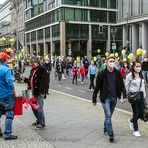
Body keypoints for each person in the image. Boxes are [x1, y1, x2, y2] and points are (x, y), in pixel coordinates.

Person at [92, 56, 127, 142]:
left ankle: (105, 127)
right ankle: (111, 133)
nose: (112, 63)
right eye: (110, 61)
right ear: (106, 63)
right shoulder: (102, 73)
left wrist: (125, 94)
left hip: (114, 98)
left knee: (109, 115)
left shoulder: (117, 73)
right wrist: (94, 98)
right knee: (108, 114)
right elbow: (97, 87)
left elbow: (122, 84)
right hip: (105, 98)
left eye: (113, 61)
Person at [23, 55, 46, 129]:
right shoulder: (32, 70)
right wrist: (25, 79)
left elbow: (44, 82)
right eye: (31, 63)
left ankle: (42, 123)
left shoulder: (42, 69)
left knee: (39, 108)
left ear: (37, 62)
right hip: (32, 92)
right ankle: (38, 120)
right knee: (33, 107)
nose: (32, 64)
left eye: (33, 63)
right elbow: (31, 81)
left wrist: (42, 92)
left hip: (39, 92)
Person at [0, 52, 19, 140]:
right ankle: (7, 134)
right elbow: (10, 84)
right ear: (4, 60)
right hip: (6, 95)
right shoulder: (6, 69)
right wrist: (15, 94)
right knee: (9, 114)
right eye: (7, 59)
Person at [125, 60, 146, 137]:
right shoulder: (129, 76)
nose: (138, 68)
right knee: (136, 112)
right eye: (137, 66)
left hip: (141, 95)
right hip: (133, 95)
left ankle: (132, 121)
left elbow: (143, 85)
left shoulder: (142, 74)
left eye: (139, 66)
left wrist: (144, 95)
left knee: (141, 112)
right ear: (133, 67)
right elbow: (126, 86)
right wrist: (125, 96)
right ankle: (136, 130)